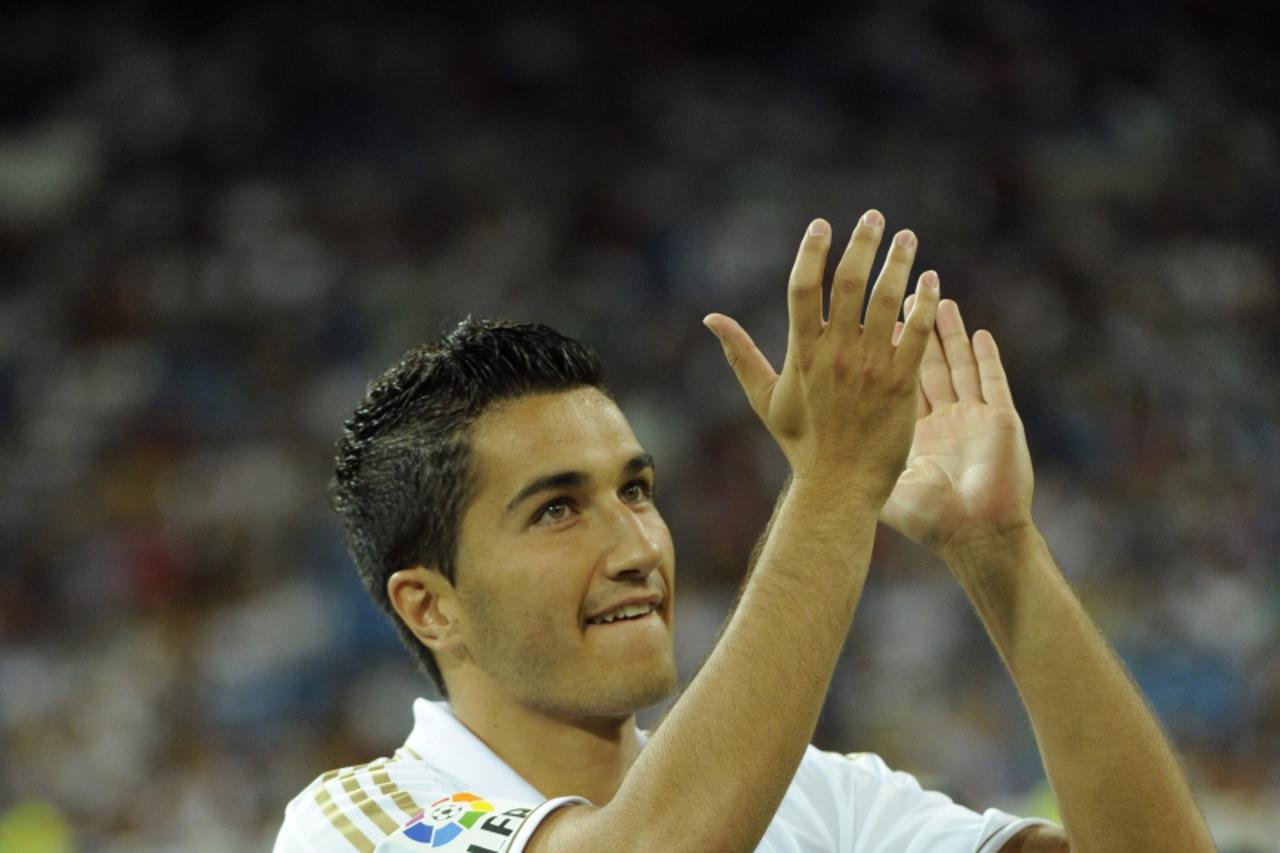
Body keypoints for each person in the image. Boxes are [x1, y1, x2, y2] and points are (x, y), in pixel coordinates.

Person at [273, 212, 1215, 852]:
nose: (638, 544)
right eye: (557, 508)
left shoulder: (820, 801)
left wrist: (998, 551)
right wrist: (839, 481)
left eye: (636, 490)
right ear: (430, 605)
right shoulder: (359, 821)